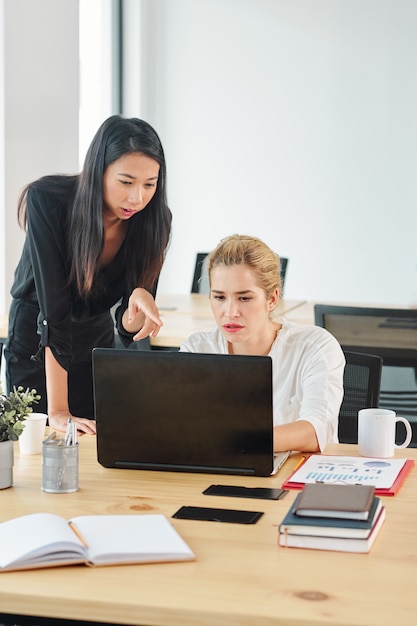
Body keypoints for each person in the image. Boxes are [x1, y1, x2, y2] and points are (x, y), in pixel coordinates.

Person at [5, 115, 172, 435]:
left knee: (91, 446)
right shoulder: (48, 200)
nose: (137, 197)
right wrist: (58, 411)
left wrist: (137, 302)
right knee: (39, 446)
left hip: (94, 340)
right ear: (99, 171)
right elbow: (54, 314)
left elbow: (128, 327)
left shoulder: (155, 220)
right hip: (36, 341)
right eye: (126, 182)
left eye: (149, 184)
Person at [180, 235, 345, 453]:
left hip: (299, 477)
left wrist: (237, 442)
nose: (230, 312)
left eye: (244, 298)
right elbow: (181, 429)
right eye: (219, 297)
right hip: (219, 472)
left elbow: (316, 430)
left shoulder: (315, 347)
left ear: (272, 299)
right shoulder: (196, 350)